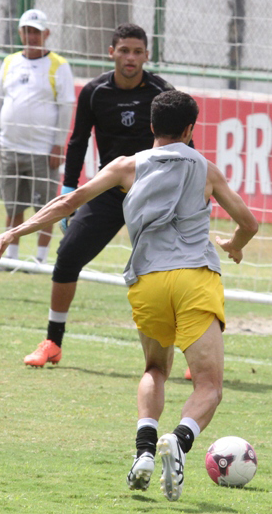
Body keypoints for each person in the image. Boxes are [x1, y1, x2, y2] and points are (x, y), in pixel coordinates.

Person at [0, 90, 258, 500]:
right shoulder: (207, 170)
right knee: (209, 386)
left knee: (154, 369)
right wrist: (234, 245)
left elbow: (69, 201)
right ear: (190, 129)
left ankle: (144, 452)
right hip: (194, 278)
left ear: (151, 126)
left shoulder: (126, 166)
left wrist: (13, 232)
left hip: (147, 281)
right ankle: (179, 441)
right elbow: (249, 222)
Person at [22, 23, 180, 367]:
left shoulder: (162, 93)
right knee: (68, 255)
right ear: (111, 53)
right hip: (110, 191)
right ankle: (52, 342)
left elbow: (184, 144)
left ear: (147, 55)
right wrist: (69, 189)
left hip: (154, 194)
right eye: (124, 50)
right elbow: (78, 141)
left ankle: (192, 351)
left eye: (137, 52)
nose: (130, 58)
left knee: (176, 270)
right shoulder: (94, 92)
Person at [0, 8, 75, 269]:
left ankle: (40, 260)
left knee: (45, 209)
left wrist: (58, 144)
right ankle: (9, 257)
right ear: (20, 32)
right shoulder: (9, 62)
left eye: (36, 31)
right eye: (27, 31)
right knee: (13, 206)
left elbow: (65, 108)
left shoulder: (58, 65)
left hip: (42, 151)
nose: (31, 36)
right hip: (9, 147)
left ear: (46, 33)